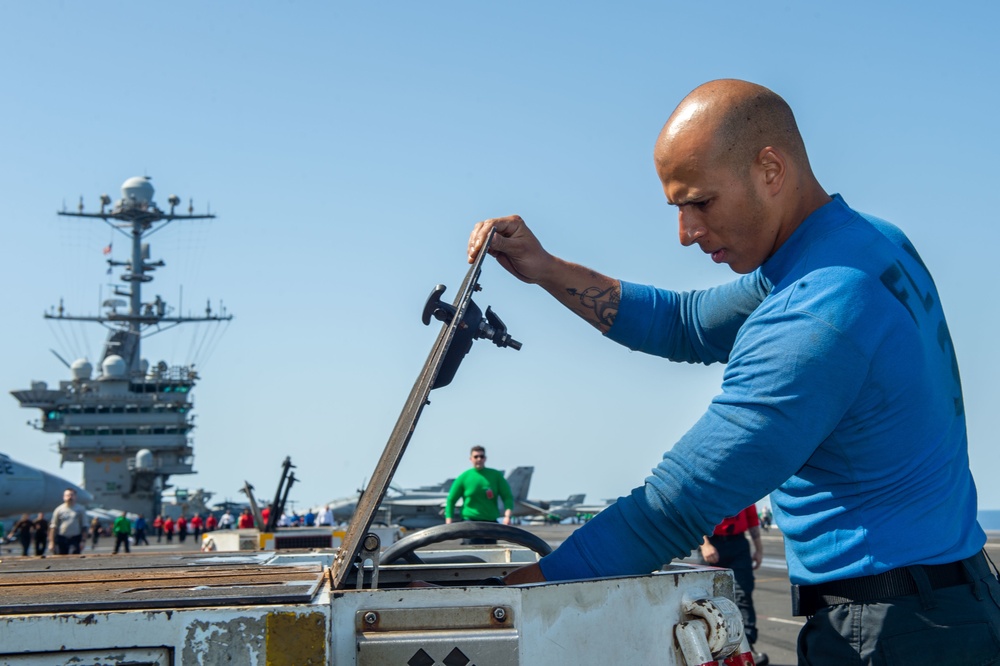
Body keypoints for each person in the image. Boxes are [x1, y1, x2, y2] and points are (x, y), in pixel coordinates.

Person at [469, 79, 1000, 663]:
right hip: (951, 601)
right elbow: (686, 323)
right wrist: (544, 268)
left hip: (894, 630)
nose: (686, 233)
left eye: (700, 202)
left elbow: (674, 508)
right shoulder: (864, 244)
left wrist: (492, 611)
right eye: (678, 208)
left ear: (770, 169)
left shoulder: (820, 314)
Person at [698, 506, 766, 665]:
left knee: (744, 595)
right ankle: (712, 651)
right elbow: (697, 514)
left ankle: (746, 648)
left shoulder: (741, 485)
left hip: (738, 544)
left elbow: (751, 518)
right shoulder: (707, 484)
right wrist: (705, 545)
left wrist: (759, 549)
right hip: (712, 542)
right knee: (709, 599)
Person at [445, 446, 514, 544]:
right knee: (472, 556)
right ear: (470, 459)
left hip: (491, 523)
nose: (479, 459)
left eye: (481, 456)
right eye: (476, 456)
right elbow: (451, 500)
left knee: (491, 555)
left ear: (485, 458)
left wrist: (507, 516)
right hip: (470, 523)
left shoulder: (496, 475)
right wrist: (449, 521)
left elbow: (507, 497)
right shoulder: (464, 477)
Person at [49, 488, 87, 555]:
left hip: (75, 538)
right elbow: (53, 527)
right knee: (61, 558)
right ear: (64, 497)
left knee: (75, 558)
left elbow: (84, 526)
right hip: (62, 538)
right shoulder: (58, 510)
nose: (70, 497)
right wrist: (51, 542)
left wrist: (83, 541)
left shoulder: (80, 509)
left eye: (72, 495)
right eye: (67, 495)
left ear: (75, 496)